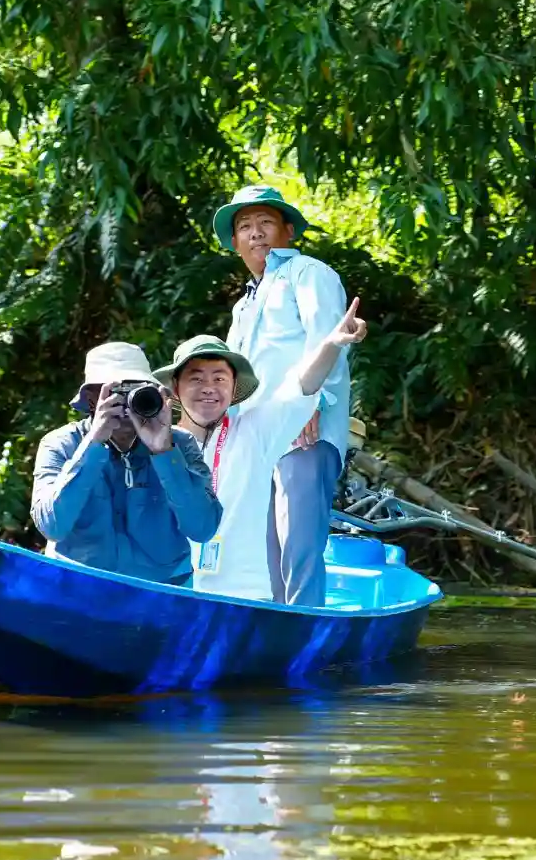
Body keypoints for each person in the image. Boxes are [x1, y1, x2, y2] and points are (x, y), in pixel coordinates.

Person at [156, 299, 368, 601]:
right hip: (174, 594)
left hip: (247, 599)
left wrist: (332, 343)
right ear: (175, 389)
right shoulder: (157, 444)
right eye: (196, 378)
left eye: (219, 378)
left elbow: (300, 387)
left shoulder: (255, 431)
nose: (208, 387)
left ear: (232, 388)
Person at [213, 184, 351, 607]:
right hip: (255, 437)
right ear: (235, 243)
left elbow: (330, 337)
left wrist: (313, 403)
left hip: (302, 429)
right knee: (262, 548)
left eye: (265, 223)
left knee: (298, 547)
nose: (256, 233)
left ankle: (303, 640)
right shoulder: (243, 305)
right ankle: (273, 636)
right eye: (245, 226)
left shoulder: (308, 273)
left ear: (287, 231)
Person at [29, 341, 223, 585]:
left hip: (162, 591)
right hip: (79, 587)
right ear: (91, 399)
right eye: (114, 393)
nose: (126, 403)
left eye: (134, 392)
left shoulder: (181, 444)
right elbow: (52, 526)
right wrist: (94, 444)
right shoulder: (60, 444)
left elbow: (203, 528)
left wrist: (163, 452)